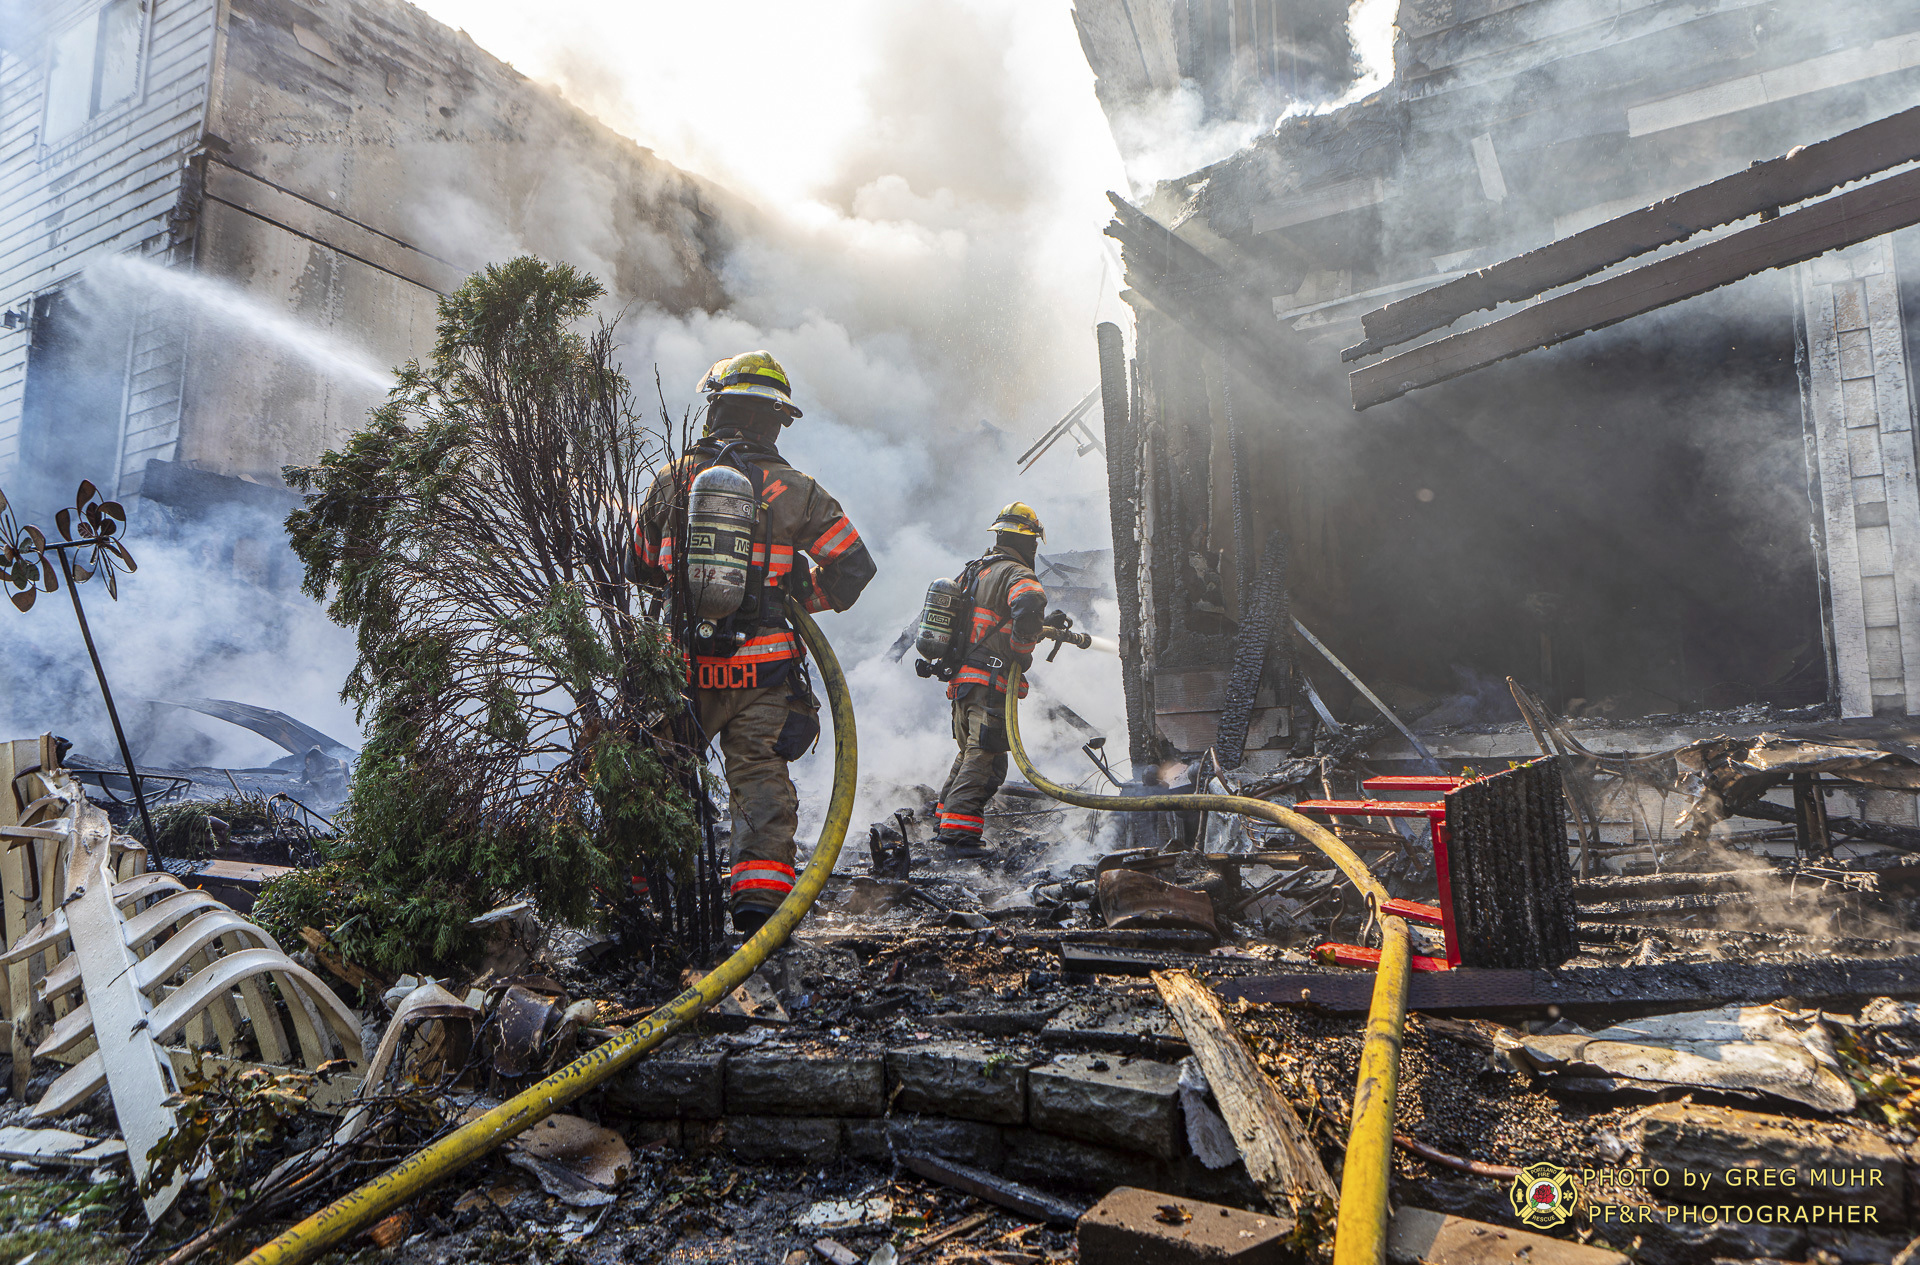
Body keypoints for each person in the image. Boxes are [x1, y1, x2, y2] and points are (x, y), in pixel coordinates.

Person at [635, 351, 875, 934]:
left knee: (655, 774)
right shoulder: (799, 491)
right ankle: (760, 905)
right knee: (760, 781)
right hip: (761, 673)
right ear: (775, 420)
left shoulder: (673, 479)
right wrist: (795, 597)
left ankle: (639, 894)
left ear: (714, 409)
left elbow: (638, 566)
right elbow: (854, 569)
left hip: (679, 668)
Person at [931, 502, 1050, 859]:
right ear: (1028, 541)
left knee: (972, 754)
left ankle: (943, 822)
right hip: (989, 683)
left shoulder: (973, 572)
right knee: (987, 760)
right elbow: (1028, 605)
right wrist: (1022, 649)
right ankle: (958, 840)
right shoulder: (1016, 573)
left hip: (963, 685)